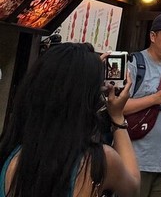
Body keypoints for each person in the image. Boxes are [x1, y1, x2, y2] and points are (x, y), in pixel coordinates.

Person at [0, 41, 139, 197]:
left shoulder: (11, 155)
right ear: (88, 103)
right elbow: (133, 187)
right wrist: (117, 117)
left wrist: (86, 73)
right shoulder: (99, 161)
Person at [125, 12, 161, 197]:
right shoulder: (135, 63)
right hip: (137, 160)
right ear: (152, 36)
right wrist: (154, 99)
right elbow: (119, 107)